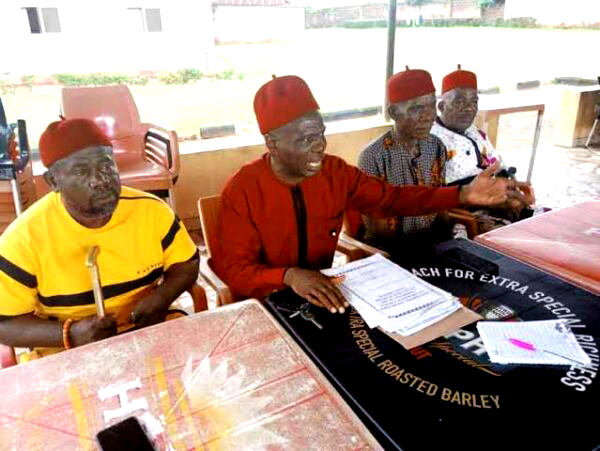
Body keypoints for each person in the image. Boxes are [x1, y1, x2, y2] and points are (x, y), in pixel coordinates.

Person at [213, 75, 516, 314]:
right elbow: (234, 271)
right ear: (272, 143)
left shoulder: (334, 172)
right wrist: (289, 276)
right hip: (262, 306)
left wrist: (461, 194)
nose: (319, 145)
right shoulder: (243, 190)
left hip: (322, 296)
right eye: (306, 139)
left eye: (320, 133)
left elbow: (392, 199)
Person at [0, 118, 199, 362]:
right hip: (65, 351)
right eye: (82, 172)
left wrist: (162, 297)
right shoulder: (24, 239)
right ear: (53, 181)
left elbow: (187, 264)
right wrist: (70, 333)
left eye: (106, 167)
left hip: (150, 330)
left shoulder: (152, 211)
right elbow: (4, 323)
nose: (100, 180)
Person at [357, 68, 451, 252]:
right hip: (390, 252)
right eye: (417, 108)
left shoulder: (437, 146)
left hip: (430, 244)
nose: (429, 116)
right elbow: (379, 231)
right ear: (393, 112)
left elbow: (440, 207)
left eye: (432, 105)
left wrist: (451, 244)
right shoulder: (373, 157)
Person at [431, 66, 535, 228]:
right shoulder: (430, 142)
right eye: (459, 102)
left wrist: (514, 187)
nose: (469, 108)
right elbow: (435, 196)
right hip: (466, 215)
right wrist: (494, 201)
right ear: (442, 107)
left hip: (499, 203)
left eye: (474, 101)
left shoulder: (476, 133)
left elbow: (500, 167)